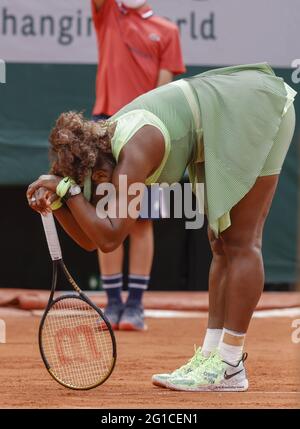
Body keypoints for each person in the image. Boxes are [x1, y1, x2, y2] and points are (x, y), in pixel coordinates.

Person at [27, 63, 296, 392]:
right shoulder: (103, 149)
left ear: (98, 168)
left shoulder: (135, 148)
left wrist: (67, 193)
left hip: (252, 107)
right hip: (223, 115)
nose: (100, 191)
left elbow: (109, 238)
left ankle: (230, 364)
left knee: (241, 241)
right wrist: (59, 202)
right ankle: (212, 357)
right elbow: (91, 240)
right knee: (220, 243)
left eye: (96, 183)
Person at [91, 0, 186, 331]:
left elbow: (162, 93)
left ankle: (135, 306)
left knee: (142, 221)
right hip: (106, 128)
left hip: (146, 131)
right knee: (107, 214)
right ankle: (113, 302)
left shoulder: (167, 31)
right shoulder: (108, 14)